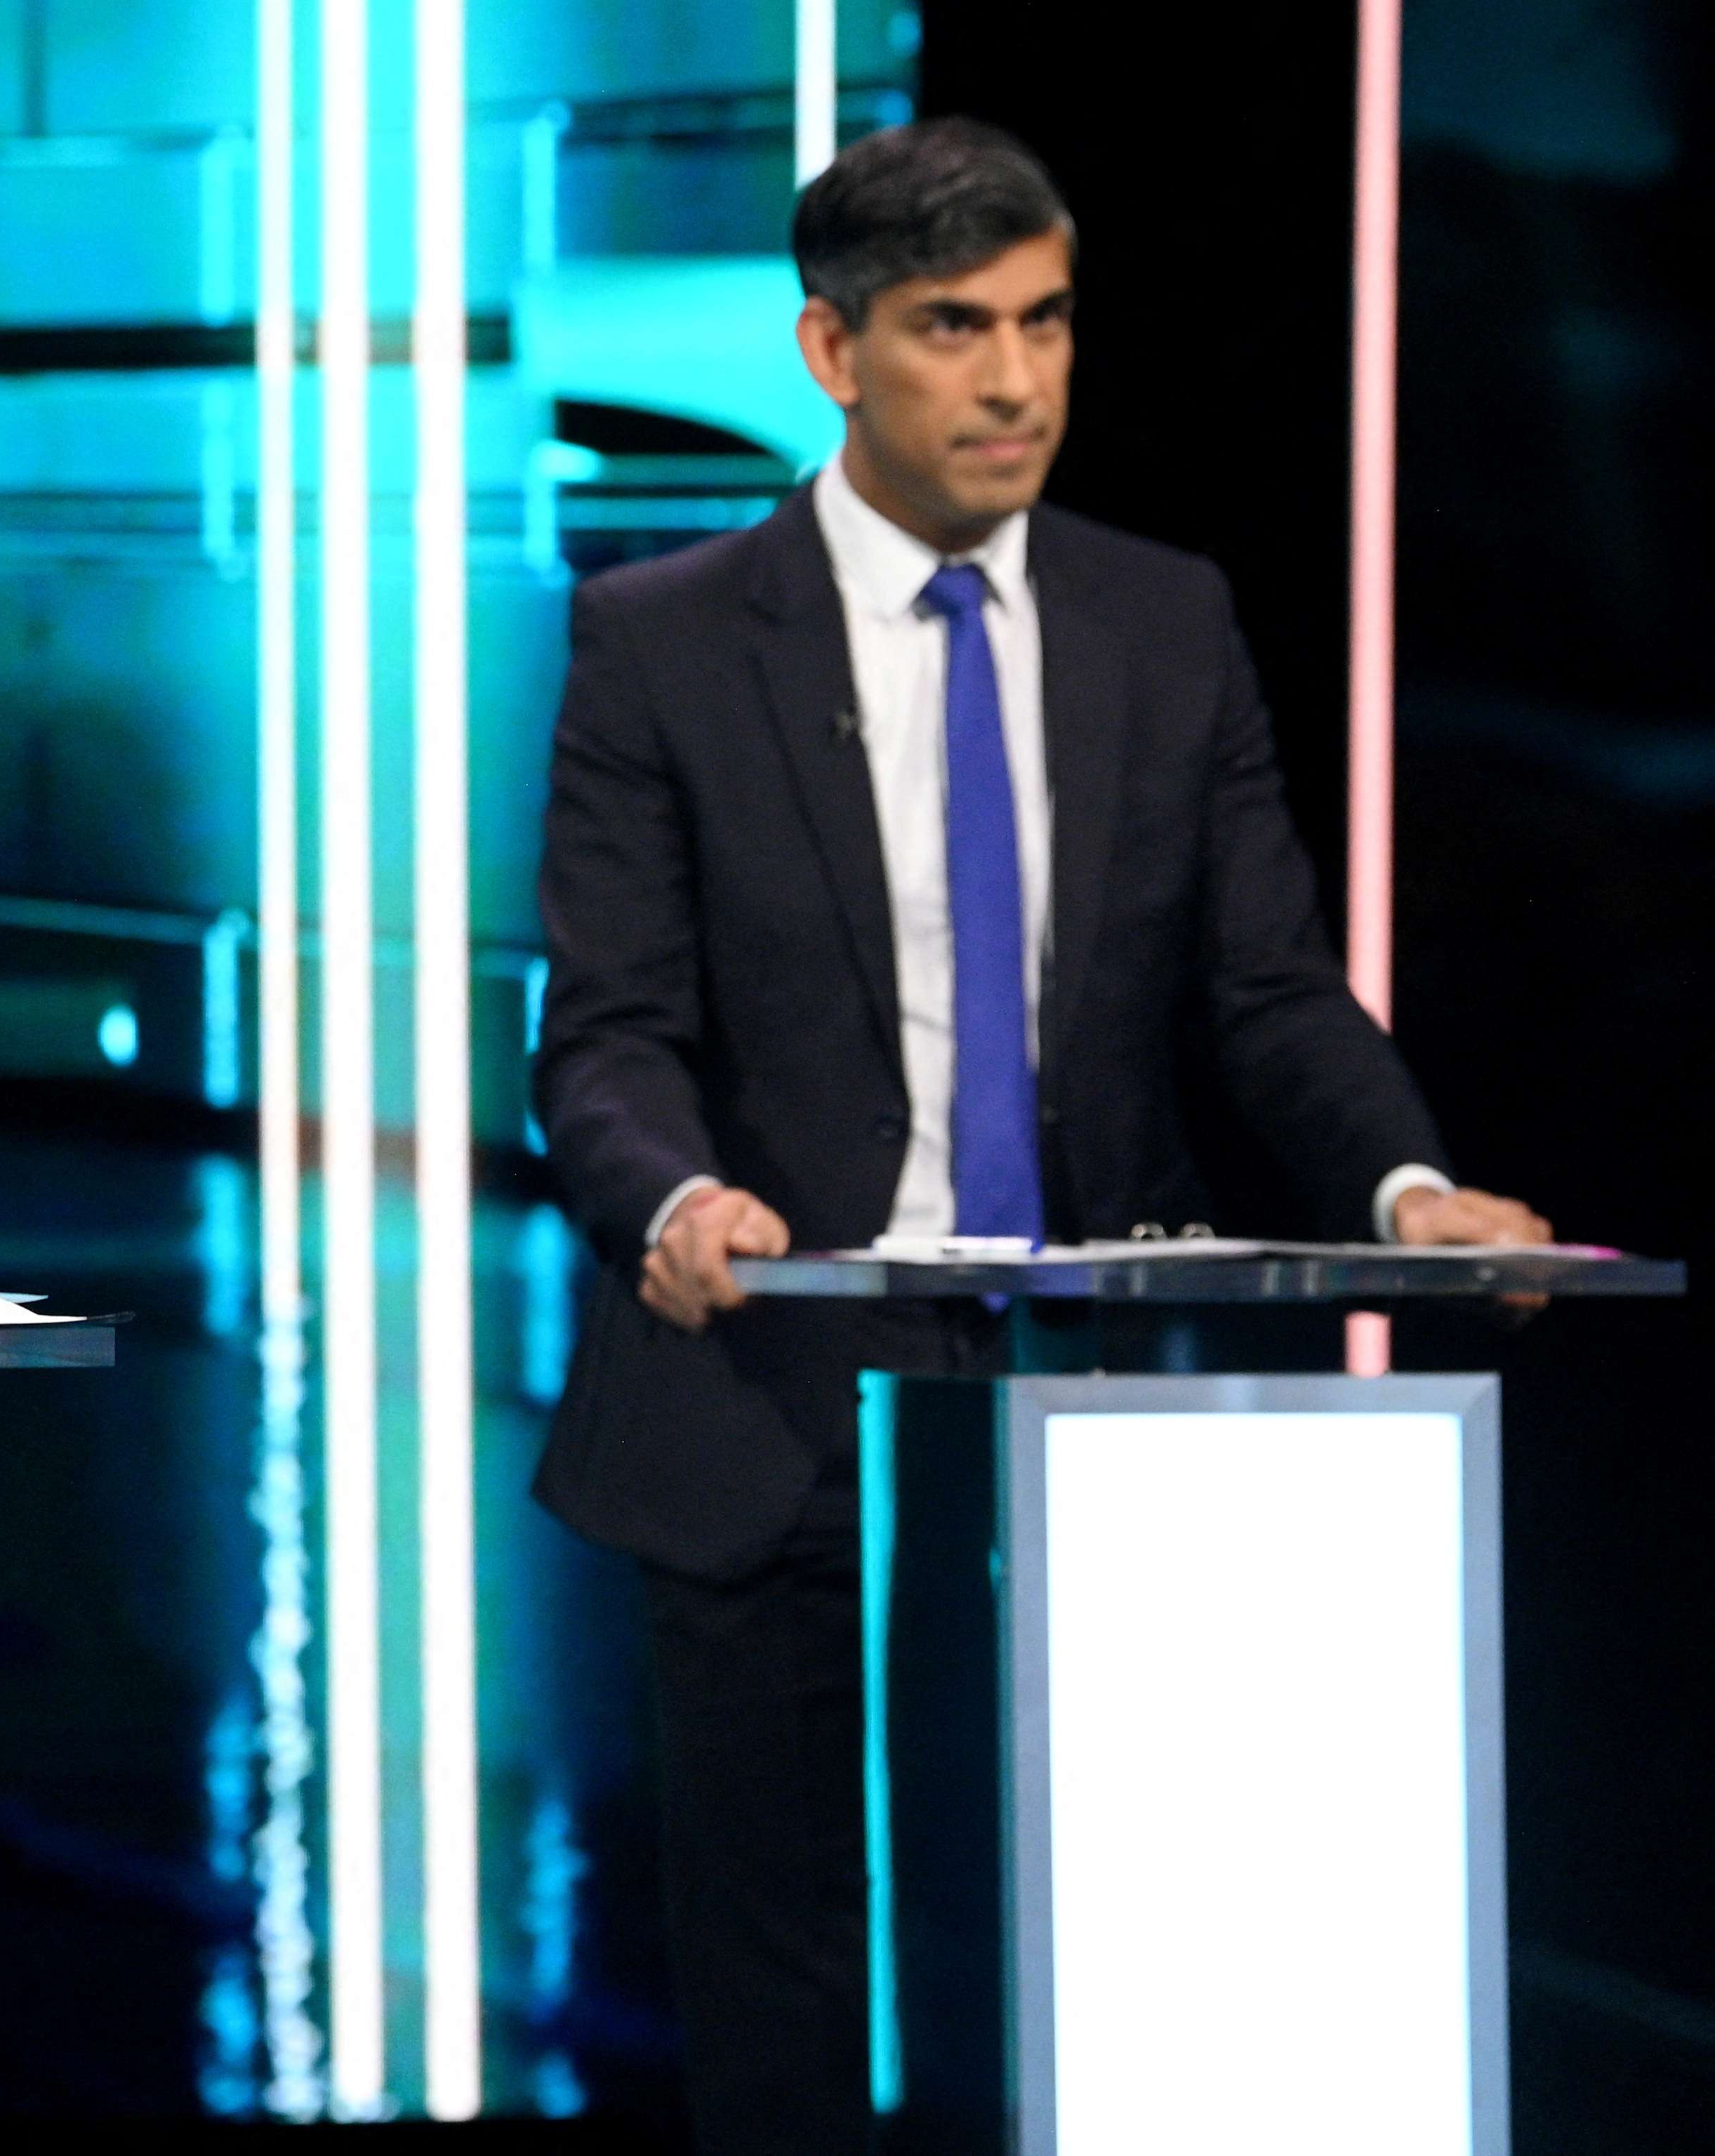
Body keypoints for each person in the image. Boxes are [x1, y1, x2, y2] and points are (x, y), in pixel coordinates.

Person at [527, 117, 1547, 2156]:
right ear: (828, 350)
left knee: (1104, 2001)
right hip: (773, 1412)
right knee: (797, 2021)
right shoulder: (661, 638)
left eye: (1045, 322)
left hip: (1095, 1429)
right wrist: (675, 1193)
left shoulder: (1159, 621)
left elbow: (1263, 990)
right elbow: (607, 1038)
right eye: (949, 329)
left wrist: (1406, 1190)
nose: (1013, 382)